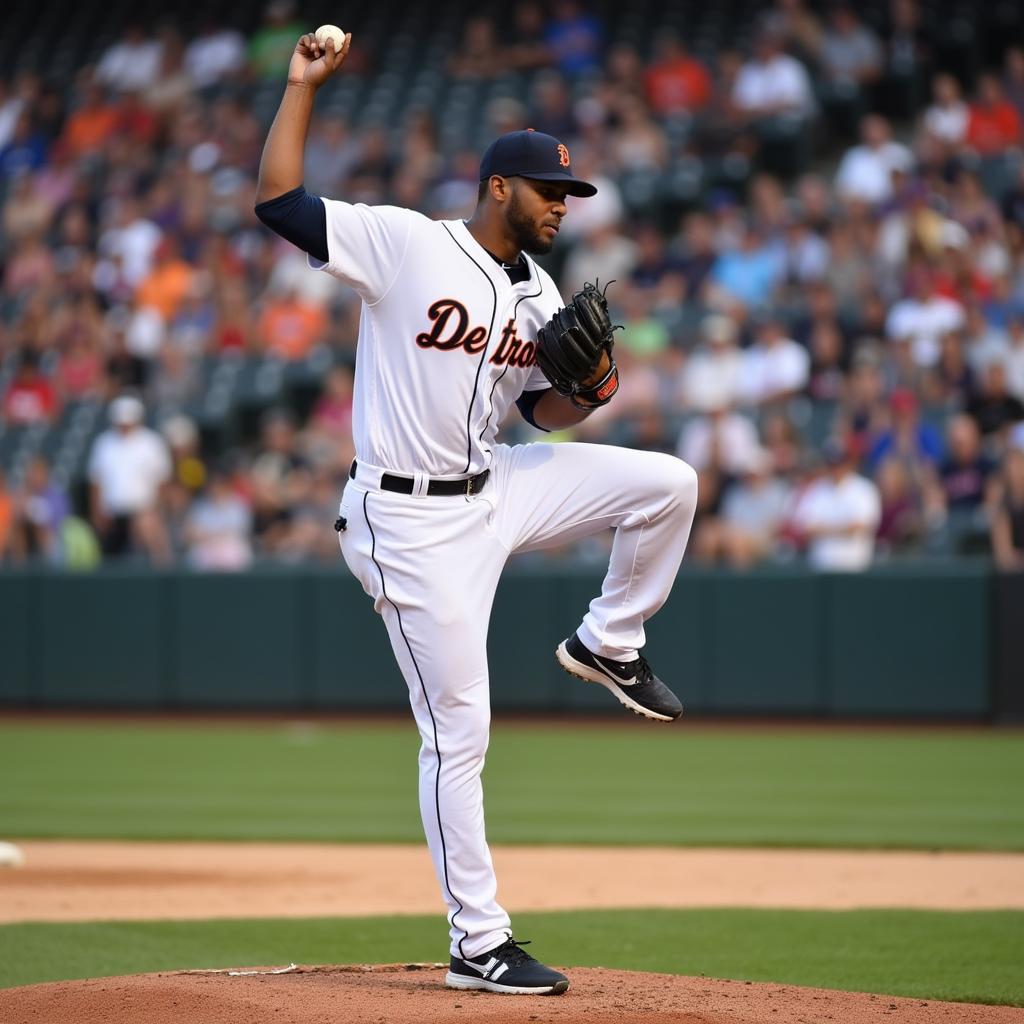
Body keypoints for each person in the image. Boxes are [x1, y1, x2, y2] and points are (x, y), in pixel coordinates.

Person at [254, 32, 698, 997]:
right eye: (549, 192)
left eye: (568, 196)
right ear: (500, 187)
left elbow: (542, 410)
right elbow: (280, 203)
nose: (560, 208)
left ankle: (609, 641)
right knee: (461, 729)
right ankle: (478, 943)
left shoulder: (538, 291)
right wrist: (300, 89)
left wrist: (595, 390)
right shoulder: (409, 242)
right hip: (406, 521)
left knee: (669, 483)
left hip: (496, 482)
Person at [87, 395, 172, 563]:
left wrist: (156, 510)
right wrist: (97, 511)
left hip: (144, 511)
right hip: (112, 513)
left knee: (155, 550)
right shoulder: (104, 443)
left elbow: (162, 480)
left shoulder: (151, 442)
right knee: (110, 558)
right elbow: (96, 481)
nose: (124, 426)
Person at [794, 439, 881, 570]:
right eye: (831, 464)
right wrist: (843, 528)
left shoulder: (864, 489)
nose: (835, 469)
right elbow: (805, 528)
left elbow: (860, 527)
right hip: (821, 569)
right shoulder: (816, 489)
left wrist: (823, 529)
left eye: (839, 463)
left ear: (849, 463)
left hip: (855, 567)